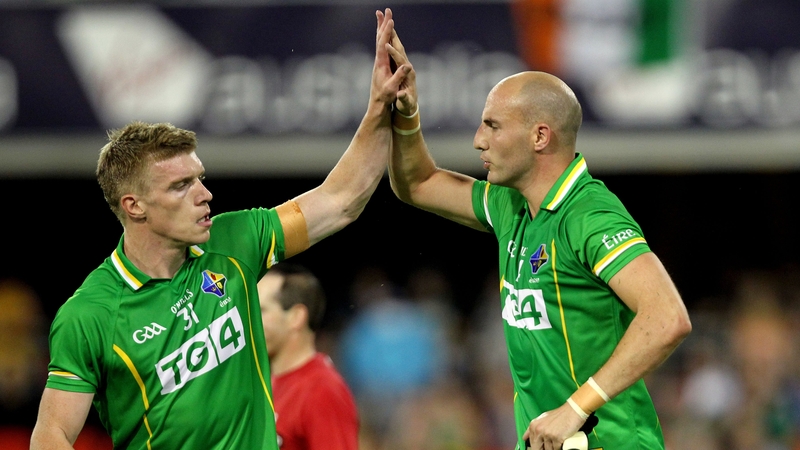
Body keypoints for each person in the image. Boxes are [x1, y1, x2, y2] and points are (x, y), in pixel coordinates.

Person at [29, 8, 409, 449]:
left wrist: (379, 107)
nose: (204, 195)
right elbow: (52, 433)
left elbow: (341, 201)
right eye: (180, 186)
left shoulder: (235, 240)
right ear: (135, 207)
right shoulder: (89, 315)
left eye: (200, 179)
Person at [383, 25, 692, 450]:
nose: (478, 141)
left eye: (492, 126)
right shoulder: (510, 207)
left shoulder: (589, 216)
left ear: (540, 136)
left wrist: (576, 408)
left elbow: (667, 318)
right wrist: (406, 110)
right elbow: (416, 184)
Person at [257, 263, 358, 450]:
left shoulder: (322, 390)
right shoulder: (267, 383)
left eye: (261, 310)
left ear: (296, 317)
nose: (250, 319)